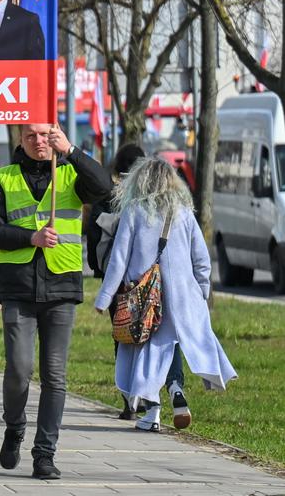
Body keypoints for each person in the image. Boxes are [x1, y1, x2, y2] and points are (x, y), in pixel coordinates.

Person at [0, 123, 112, 480]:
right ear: (20, 140)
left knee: (55, 376)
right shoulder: (3, 178)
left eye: (45, 135)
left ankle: (44, 453)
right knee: (19, 370)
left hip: (61, 287)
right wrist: (30, 237)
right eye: (31, 136)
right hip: (18, 287)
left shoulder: (70, 172)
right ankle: (15, 427)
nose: (39, 142)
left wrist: (71, 150)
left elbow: (105, 188)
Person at [95, 157, 237, 432]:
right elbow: (201, 259)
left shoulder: (134, 211)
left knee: (147, 350)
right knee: (169, 347)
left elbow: (118, 259)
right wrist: (202, 293)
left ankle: (154, 411)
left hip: (147, 297)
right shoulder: (183, 212)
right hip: (183, 296)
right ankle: (175, 390)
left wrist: (104, 298)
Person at [85, 143, 151, 421]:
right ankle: (148, 394)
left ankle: (129, 400)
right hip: (147, 279)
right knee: (148, 336)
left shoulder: (107, 199)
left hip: (116, 281)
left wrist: (98, 269)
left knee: (122, 336)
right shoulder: (150, 200)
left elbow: (92, 238)